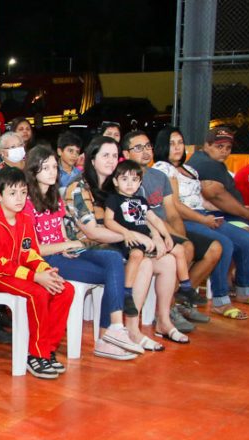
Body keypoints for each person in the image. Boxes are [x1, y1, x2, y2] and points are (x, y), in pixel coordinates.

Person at [23, 146, 143, 360]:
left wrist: (69, 245)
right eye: (45, 168)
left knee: (114, 258)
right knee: (112, 274)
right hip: (46, 260)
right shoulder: (26, 203)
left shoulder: (55, 198)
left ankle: (114, 328)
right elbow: (35, 250)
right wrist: (65, 246)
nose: (52, 172)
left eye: (54, 167)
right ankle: (107, 338)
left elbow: (61, 234)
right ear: (33, 171)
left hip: (64, 252)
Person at [63, 136, 175, 352]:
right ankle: (116, 333)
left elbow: (139, 217)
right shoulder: (78, 188)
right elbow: (91, 231)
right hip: (84, 249)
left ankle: (150, 324)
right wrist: (132, 236)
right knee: (141, 262)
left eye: (115, 155)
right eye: (105, 155)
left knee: (168, 261)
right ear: (92, 159)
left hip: (115, 248)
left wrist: (154, 234)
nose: (111, 160)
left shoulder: (119, 186)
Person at [0, 166, 75, 379]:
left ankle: (47, 349)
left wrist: (46, 271)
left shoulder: (25, 219)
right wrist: (35, 277)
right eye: (12, 193)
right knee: (37, 292)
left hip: (17, 273)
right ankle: (35, 354)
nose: (19, 198)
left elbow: (30, 254)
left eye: (23, 192)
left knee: (65, 289)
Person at [154, 127, 249, 320]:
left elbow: (201, 200)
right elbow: (175, 205)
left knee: (245, 238)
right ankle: (220, 299)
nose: (177, 147)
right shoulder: (162, 168)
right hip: (183, 219)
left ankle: (244, 288)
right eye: (172, 143)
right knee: (224, 243)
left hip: (202, 214)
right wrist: (203, 219)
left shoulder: (189, 169)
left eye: (180, 143)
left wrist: (219, 213)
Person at [123, 130, 220, 330]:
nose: (145, 152)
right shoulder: (127, 179)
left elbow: (172, 213)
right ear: (126, 154)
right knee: (185, 249)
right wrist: (181, 241)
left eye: (148, 146)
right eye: (138, 148)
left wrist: (183, 237)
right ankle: (166, 312)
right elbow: (151, 218)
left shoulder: (159, 176)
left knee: (214, 248)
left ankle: (180, 301)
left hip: (166, 226)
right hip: (149, 230)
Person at [103, 160, 201, 344]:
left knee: (173, 256)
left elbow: (154, 219)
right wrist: (126, 233)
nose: (130, 183)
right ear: (115, 181)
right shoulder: (114, 199)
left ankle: (167, 316)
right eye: (125, 179)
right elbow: (109, 221)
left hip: (145, 240)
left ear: (140, 182)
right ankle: (128, 298)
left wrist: (165, 235)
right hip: (128, 242)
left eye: (134, 179)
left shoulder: (140, 200)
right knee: (139, 257)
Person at [187, 126, 249, 231]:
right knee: (248, 239)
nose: (224, 151)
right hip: (221, 216)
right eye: (219, 146)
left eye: (228, 148)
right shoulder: (207, 163)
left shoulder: (202, 158)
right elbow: (214, 194)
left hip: (229, 213)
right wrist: (245, 212)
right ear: (207, 145)